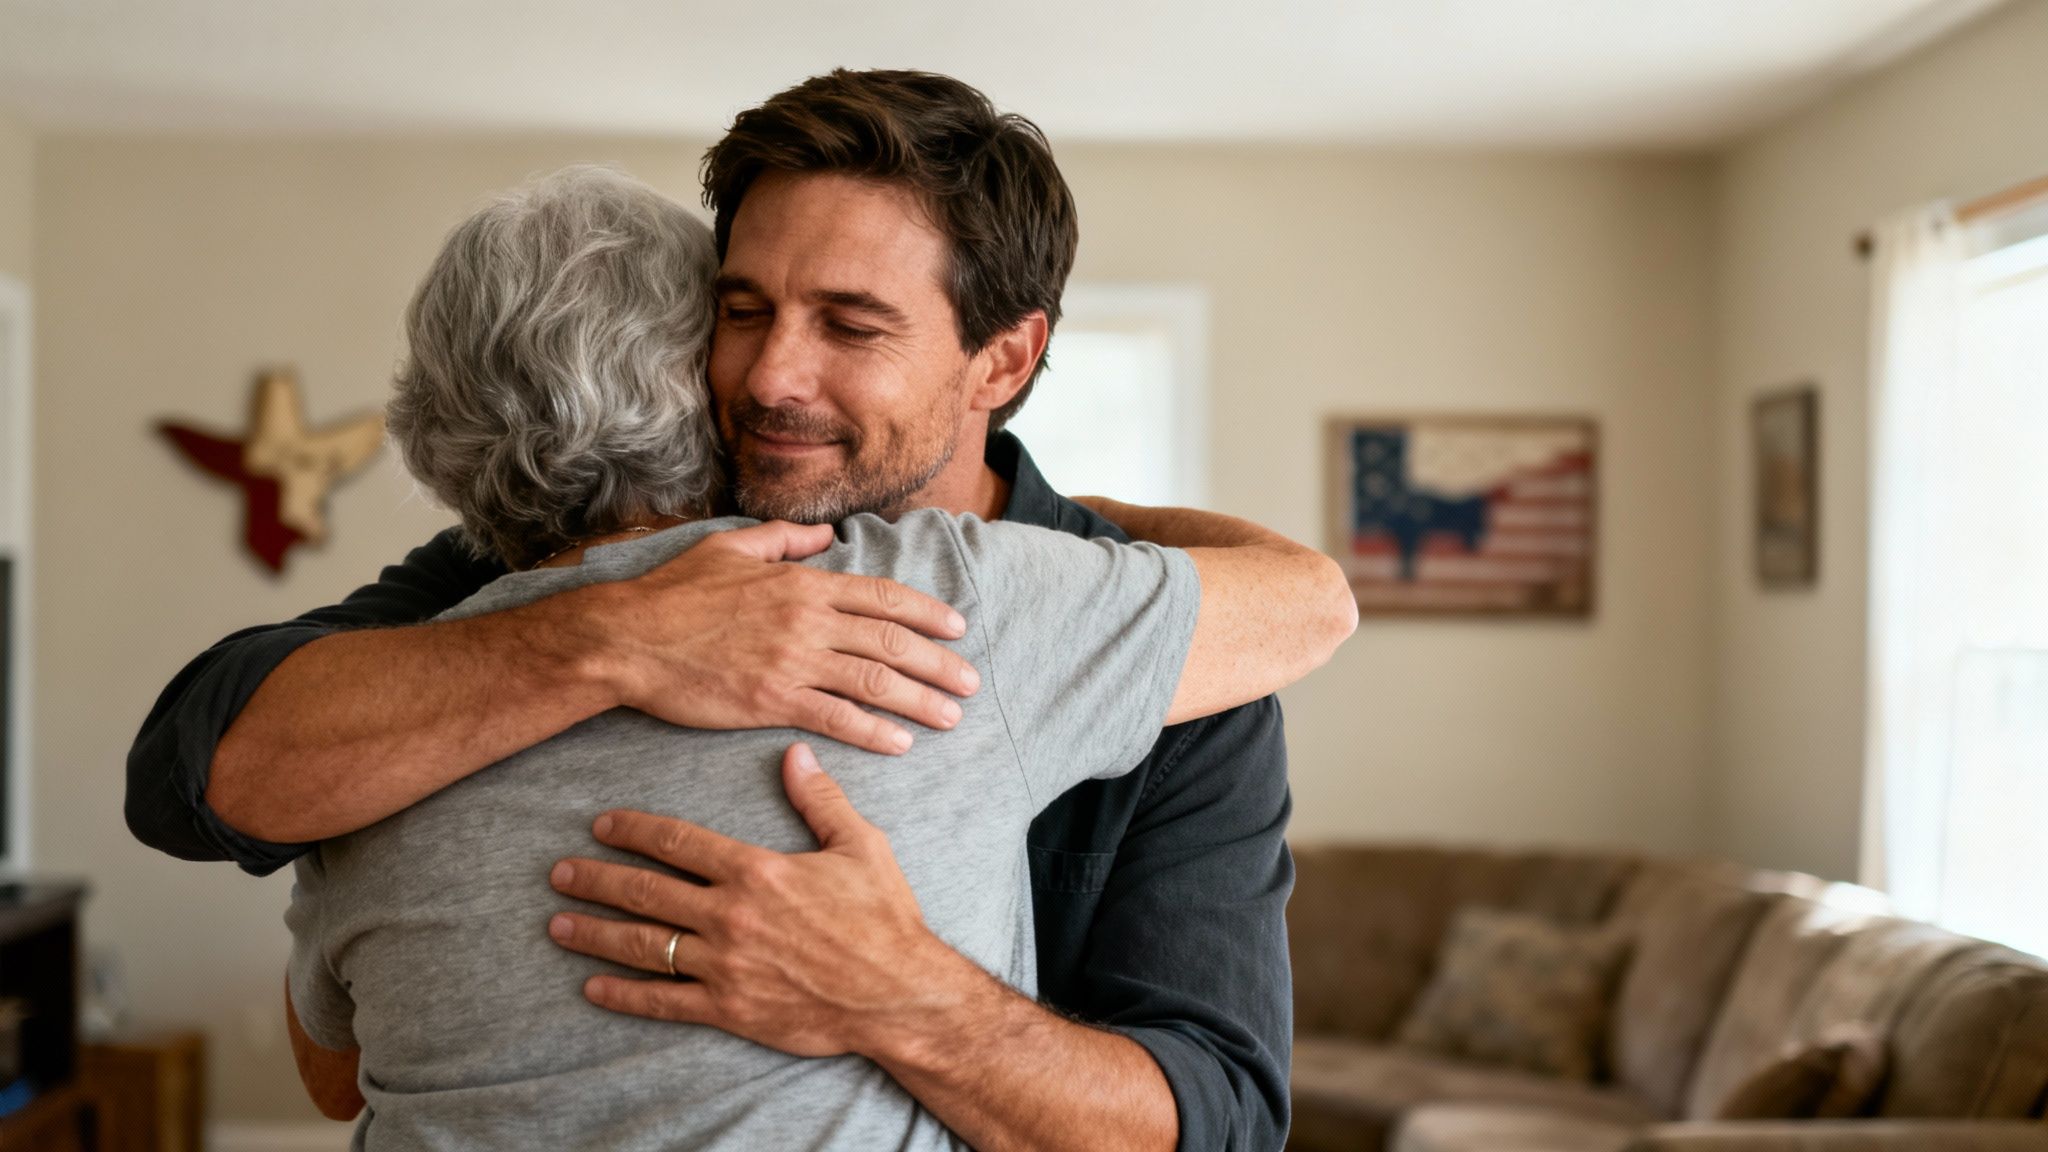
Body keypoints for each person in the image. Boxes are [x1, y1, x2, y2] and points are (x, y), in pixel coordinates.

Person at [128, 70, 1311, 1150]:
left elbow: (1216, 1125)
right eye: (742, 310)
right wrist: (616, 640)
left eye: (849, 325)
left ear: (999, 364)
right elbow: (189, 775)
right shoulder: (533, 569)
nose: (767, 379)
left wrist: (905, 997)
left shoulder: (1140, 647)